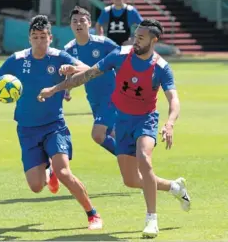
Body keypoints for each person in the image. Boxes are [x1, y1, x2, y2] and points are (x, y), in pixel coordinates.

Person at [38, 19, 191, 238]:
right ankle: (175, 187)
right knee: (130, 180)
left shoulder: (161, 67)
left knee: (144, 159)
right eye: (135, 35)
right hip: (122, 120)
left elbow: (173, 99)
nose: (135, 40)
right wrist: (55, 89)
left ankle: (151, 219)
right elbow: (87, 75)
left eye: (141, 37)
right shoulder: (120, 55)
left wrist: (169, 123)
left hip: (146, 120)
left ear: (153, 40)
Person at [0, 15, 103, 230]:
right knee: (36, 187)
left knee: (64, 172)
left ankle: (92, 214)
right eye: (35, 37)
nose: (39, 41)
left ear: (50, 38)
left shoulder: (58, 57)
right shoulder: (16, 60)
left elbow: (91, 70)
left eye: (43, 37)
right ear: (29, 38)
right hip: (27, 130)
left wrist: (72, 69)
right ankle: (48, 171)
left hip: (55, 126)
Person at [64, 6, 119, 155]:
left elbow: (122, 58)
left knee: (98, 135)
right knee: (114, 136)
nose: (78, 24)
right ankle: (137, 165)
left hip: (111, 94)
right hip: (93, 98)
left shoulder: (103, 43)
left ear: (89, 23)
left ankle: (131, 162)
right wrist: (67, 91)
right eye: (74, 21)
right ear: (70, 25)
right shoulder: (68, 49)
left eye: (82, 21)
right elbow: (68, 73)